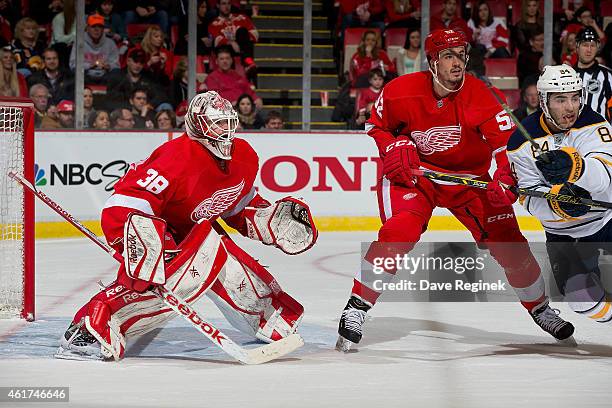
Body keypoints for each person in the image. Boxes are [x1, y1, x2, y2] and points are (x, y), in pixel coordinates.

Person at [335, 29, 575, 352]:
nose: (457, 62)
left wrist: (506, 175)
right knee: (399, 231)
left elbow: (506, 147)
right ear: (432, 62)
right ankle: (357, 307)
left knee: (510, 242)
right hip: (417, 177)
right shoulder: (399, 91)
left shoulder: (484, 96)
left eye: (461, 55)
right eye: (448, 56)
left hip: (469, 180)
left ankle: (540, 307)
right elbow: (376, 126)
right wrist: (392, 147)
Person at [55, 91, 317, 361]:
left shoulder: (245, 156)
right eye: (216, 124)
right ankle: (87, 329)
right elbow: (123, 205)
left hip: (194, 231)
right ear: (197, 125)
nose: (224, 131)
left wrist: (267, 219)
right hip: (160, 235)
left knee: (222, 256)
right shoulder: (176, 158)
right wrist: (141, 244)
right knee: (179, 277)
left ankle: (267, 317)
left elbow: (236, 204)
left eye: (227, 123)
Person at [490, 64, 612, 325]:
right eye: (560, 99)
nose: (570, 107)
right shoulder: (520, 141)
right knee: (582, 300)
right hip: (563, 234)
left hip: (606, 219)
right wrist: (559, 203)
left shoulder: (594, 124)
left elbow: (604, 178)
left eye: (575, 98)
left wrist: (574, 166)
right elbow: (530, 197)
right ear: (544, 101)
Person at [573, 27, 612, 122]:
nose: (589, 50)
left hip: (599, 132)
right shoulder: (568, 74)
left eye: (593, 45)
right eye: (585, 45)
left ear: (597, 47)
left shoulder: (607, 75)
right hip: (572, 133)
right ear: (577, 46)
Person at [208, 0, 258, 72]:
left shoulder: (242, 18)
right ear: (218, 5)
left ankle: (247, 62)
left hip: (243, 46)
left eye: (229, 3)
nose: (227, 6)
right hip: (227, 50)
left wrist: (239, 41)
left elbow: (254, 33)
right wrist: (230, 42)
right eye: (223, 4)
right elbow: (216, 41)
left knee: (242, 31)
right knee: (225, 48)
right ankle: (246, 64)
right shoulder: (214, 24)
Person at [69, 13, 120, 84]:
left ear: (103, 29)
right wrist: (89, 65)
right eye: (93, 26)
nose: (97, 29)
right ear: (87, 28)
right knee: (74, 74)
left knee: (117, 73)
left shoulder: (110, 43)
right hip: (86, 75)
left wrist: (108, 66)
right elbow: (73, 64)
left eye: (100, 26)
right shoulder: (79, 42)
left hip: (105, 75)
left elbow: (116, 65)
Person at [51, 0, 76, 68]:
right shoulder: (59, 18)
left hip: (74, 46)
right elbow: (59, 39)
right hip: (60, 48)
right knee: (62, 46)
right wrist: (75, 38)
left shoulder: (79, 18)